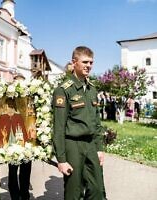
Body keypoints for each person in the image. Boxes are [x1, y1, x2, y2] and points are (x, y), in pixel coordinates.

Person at [52, 46, 105, 200]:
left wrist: (99, 148)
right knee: (74, 192)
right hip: (73, 145)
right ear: (74, 62)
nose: (89, 65)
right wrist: (61, 160)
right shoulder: (63, 90)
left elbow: (96, 122)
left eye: (91, 62)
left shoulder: (92, 89)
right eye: (85, 62)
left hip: (90, 145)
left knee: (97, 190)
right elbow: (59, 128)